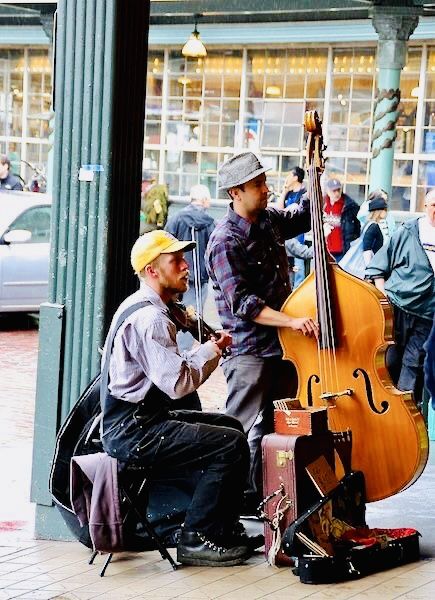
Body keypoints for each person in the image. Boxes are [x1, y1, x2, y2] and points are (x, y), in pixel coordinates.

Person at [100, 230, 254, 567]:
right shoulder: (150, 318)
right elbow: (180, 383)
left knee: (231, 427)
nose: (186, 266)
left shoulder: (156, 305)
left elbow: (185, 318)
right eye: (177, 261)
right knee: (227, 445)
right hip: (133, 431)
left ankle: (221, 528)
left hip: (146, 420)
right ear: (153, 271)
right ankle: (196, 538)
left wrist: (206, 331)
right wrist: (212, 350)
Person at [205, 151, 318, 513]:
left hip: (283, 347)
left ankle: (261, 499)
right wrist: (291, 321)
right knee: (237, 430)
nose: (267, 189)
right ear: (236, 192)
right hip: (250, 351)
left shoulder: (268, 220)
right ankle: (219, 510)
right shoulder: (224, 240)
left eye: (265, 181)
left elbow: (304, 218)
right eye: (258, 184)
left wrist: (315, 175)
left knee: (275, 427)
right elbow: (244, 303)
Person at [366, 189, 435, 410]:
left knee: (413, 365)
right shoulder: (408, 231)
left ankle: (404, 418)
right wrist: (383, 297)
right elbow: (377, 266)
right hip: (397, 309)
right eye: (434, 206)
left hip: (427, 314)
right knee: (390, 362)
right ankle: (384, 414)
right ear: (426, 206)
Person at [165, 184, 216, 351]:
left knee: (176, 313)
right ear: (203, 200)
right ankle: (181, 353)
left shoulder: (176, 219)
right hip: (200, 277)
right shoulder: (210, 224)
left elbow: (165, 246)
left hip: (176, 276)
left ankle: (175, 349)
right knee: (192, 317)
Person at [278, 166, 308, 288]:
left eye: (289, 175)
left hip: (298, 238)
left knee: (299, 272)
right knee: (287, 271)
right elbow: (279, 210)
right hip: (286, 238)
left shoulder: (304, 193)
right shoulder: (289, 193)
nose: (287, 178)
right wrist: (284, 191)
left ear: (296, 177)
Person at [323, 178, 360, 262]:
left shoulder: (350, 206)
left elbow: (357, 228)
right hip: (325, 249)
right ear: (328, 191)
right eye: (333, 191)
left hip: (343, 250)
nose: (336, 193)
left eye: (338, 190)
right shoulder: (323, 204)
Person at [362, 194, 389, 267]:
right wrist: (369, 269)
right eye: (385, 209)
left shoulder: (368, 224)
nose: (387, 212)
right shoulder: (374, 226)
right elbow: (367, 249)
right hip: (372, 264)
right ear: (379, 211)